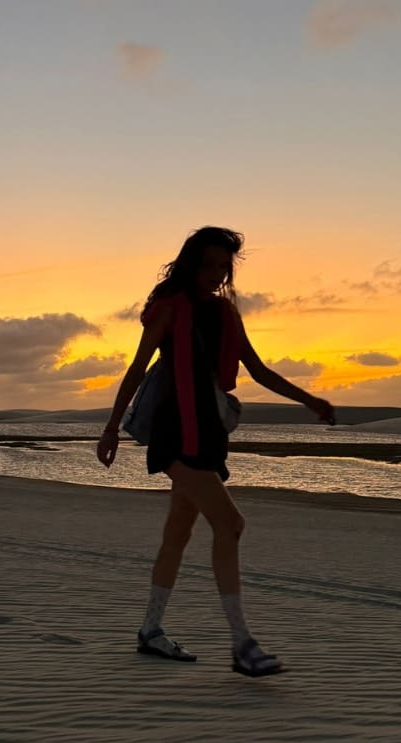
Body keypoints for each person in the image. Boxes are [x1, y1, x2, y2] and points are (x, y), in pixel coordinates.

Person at [96, 226, 335, 678]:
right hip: (174, 430)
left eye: (224, 267)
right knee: (231, 523)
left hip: (208, 432)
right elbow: (137, 367)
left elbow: (258, 370)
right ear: (190, 263)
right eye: (209, 264)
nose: (217, 274)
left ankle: (150, 630)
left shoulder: (225, 313)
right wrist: (110, 428)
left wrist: (309, 401)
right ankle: (242, 643)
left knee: (178, 533)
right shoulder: (170, 307)